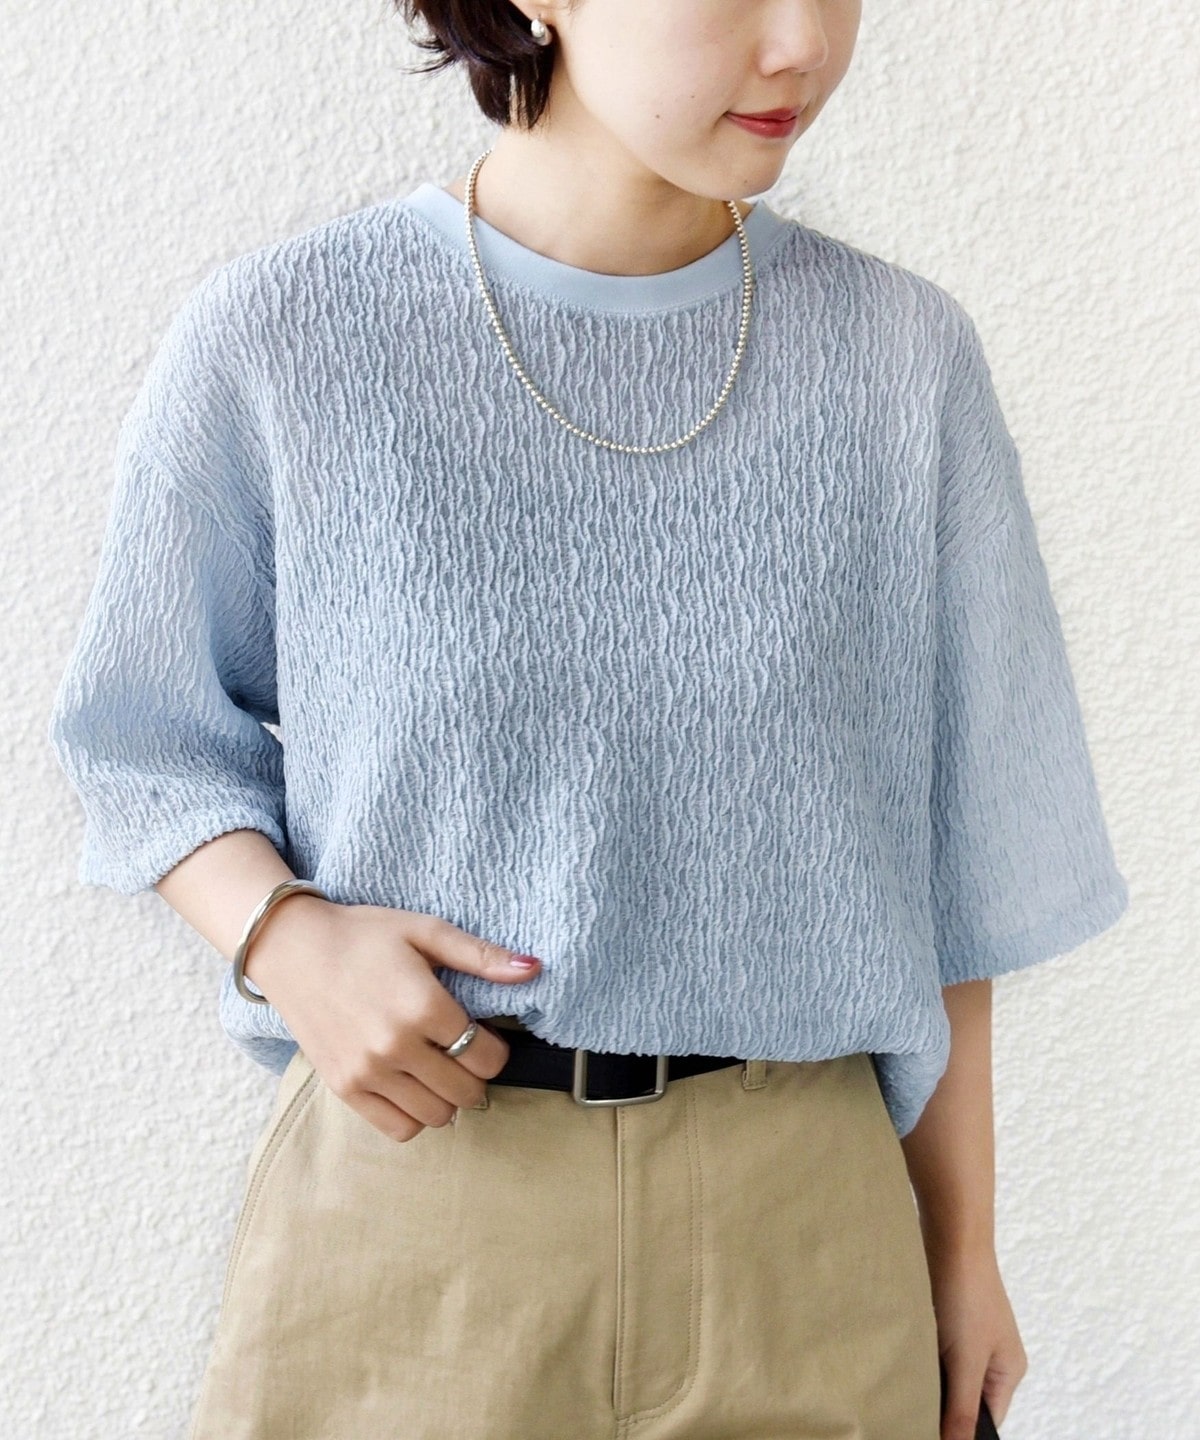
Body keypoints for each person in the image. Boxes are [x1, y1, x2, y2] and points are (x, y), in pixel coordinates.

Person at [46, 1, 1129, 1437]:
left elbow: (960, 867)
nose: (801, 43)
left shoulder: (902, 360)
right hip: (423, 1213)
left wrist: (962, 1254)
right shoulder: (288, 337)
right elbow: (141, 737)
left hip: (806, 1240)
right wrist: (286, 938)